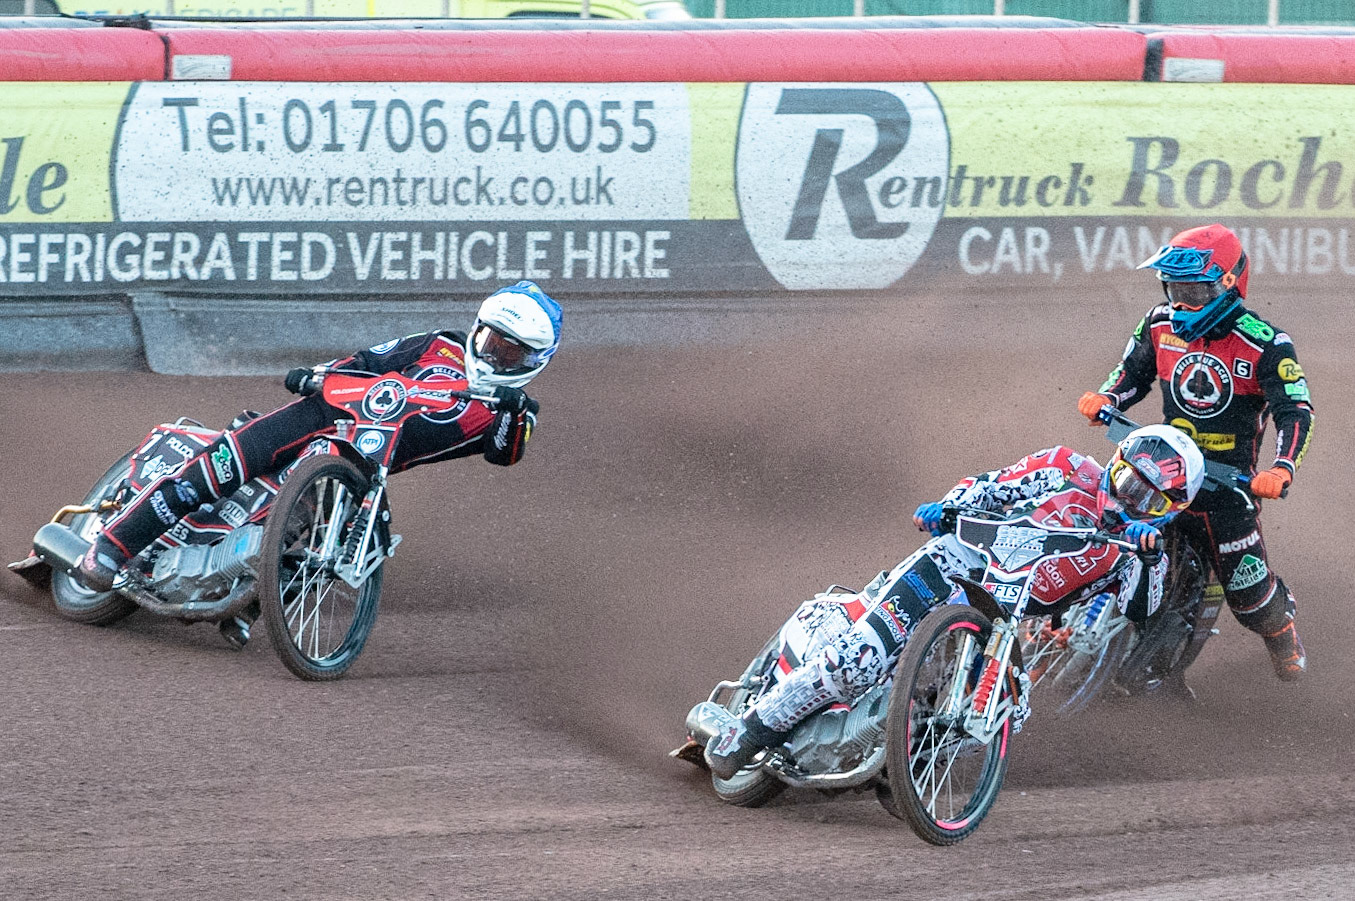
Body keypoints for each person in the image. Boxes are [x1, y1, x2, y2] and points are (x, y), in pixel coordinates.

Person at [705, 425, 1205, 780]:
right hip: (955, 561)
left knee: (1012, 710)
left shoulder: (1143, 553)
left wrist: (1146, 555)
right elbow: (989, 487)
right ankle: (745, 733)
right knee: (857, 661)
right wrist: (948, 506)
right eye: (1129, 484)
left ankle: (907, 768)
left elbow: (1141, 609)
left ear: (1172, 510)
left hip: (1004, 615)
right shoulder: (1065, 468)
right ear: (1116, 465)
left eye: (1151, 500)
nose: (1131, 502)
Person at [75, 280, 563, 595]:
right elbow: (369, 361)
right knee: (218, 468)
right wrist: (318, 374)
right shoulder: (438, 344)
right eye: (491, 341)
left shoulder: (511, 411)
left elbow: (505, 453)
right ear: (476, 328)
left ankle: (250, 593)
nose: (495, 356)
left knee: (307, 533)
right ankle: (112, 547)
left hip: (357, 467)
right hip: (320, 413)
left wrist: (513, 410)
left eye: (511, 353)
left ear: (535, 361)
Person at [1076, 223, 1314, 682]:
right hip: (1160, 467)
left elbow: (1295, 410)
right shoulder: (1158, 323)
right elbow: (1132, 372)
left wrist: (1281, 469)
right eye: (1174, 288)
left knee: (1249, 599)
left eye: (1193, 290)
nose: (1181, 302)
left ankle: (1280, 628)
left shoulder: (1267, 343)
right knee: (1095, 527)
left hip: (1227, 487)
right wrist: (1108, 398)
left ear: (1229, 283)